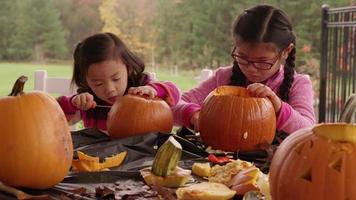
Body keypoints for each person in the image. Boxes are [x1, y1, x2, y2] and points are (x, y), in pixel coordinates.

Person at [173, 5, 315, 136]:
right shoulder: (223, 78)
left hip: (277, 162)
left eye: (262, 62)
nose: (250, 69)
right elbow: (173, 105)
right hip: (222, 161)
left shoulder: (298, 84)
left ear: (286, 51)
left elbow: (309, 131)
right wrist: (192, 114)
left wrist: (279, 108)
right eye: (242, 58)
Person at [58, 32, 180, 133]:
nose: (110, 89)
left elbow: (174, 91)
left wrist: (153, 90)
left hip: (143, 159)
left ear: (129, 68)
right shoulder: (88, 102)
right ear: (85, 80)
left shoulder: (142, 87)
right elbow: (52, 115)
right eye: (98, 83)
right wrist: (73, 103)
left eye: (116, 79)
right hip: (101, 159)